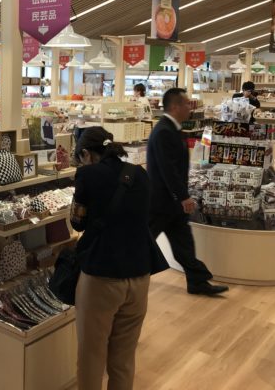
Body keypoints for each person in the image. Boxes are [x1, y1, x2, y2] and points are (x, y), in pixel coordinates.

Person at [71, 126, 168, 390]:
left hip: (101, 277)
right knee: (124, 359)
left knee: (91, 356)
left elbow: (77, 223)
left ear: (86, 154)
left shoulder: (87, 175)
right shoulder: (140, 174)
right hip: (140, 275)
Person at [147, 88, 229, 295]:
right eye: (186, 104)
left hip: (170, 202)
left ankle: (197, 282)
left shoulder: (173, 129)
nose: (190, 108)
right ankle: (123, 277)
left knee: (183, 242)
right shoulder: (164, 131)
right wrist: (183, 196)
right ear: (175, 107)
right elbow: (168, 169)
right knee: (143, 242)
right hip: (160, 202)